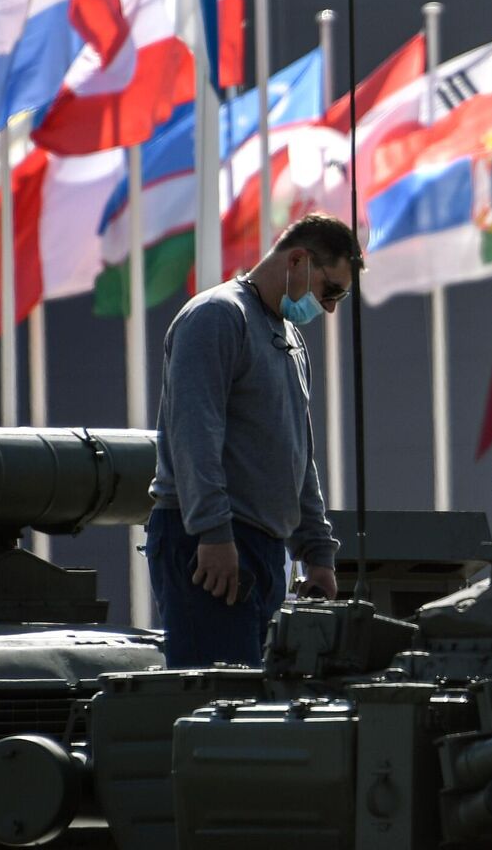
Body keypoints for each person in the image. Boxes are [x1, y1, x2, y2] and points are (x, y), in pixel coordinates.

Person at [145, 212, 357, 668]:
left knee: (255, 697)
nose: (330, 308)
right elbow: (194, 436)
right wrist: (213, 534)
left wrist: (318, 554)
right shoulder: (216, 316)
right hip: (207, 543)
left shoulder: (290, 338)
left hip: (261, 547)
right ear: (298, 260)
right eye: (331, 291)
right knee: (219, 697)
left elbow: (299, 455)